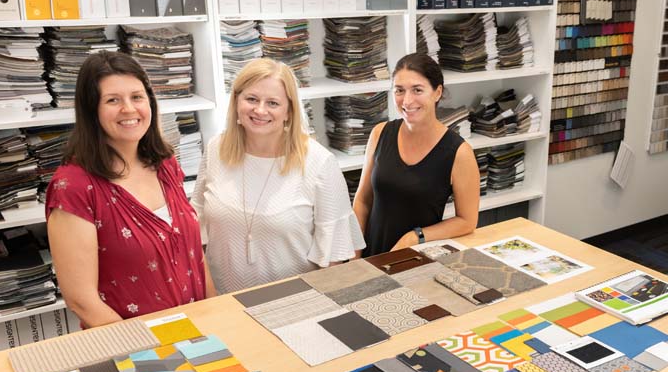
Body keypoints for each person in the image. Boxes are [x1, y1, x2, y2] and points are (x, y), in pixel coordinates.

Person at [46, 51, 214, 328]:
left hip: (198, 333)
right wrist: (153, 350)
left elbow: (194, 255)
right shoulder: (74, 187)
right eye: (113, 100)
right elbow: (82, 301)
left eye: (137, 97)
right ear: (91, 110)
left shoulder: (165, 164)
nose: (129, 109)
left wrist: (216, 316)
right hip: (133, 350)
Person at [191, 58, 364, 293]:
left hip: (293, 302)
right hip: (222, 299)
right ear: (236, 101)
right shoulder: (215, 149)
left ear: (289, 111)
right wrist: (209, 298)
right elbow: (195, 228)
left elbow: (333, 255)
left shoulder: (318, 162)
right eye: (251, 99)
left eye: (272, 102)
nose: (260, 110)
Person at [354, 53, 480, 255]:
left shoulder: (459, 152)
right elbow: (362, 201)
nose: (407, 100)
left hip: (418, 258)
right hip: (372, 256)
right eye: (399, 90)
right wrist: (355, 256)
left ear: (437, 92)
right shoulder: (380, 133)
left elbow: (467, 221)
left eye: (417, 90)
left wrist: (415, 236)